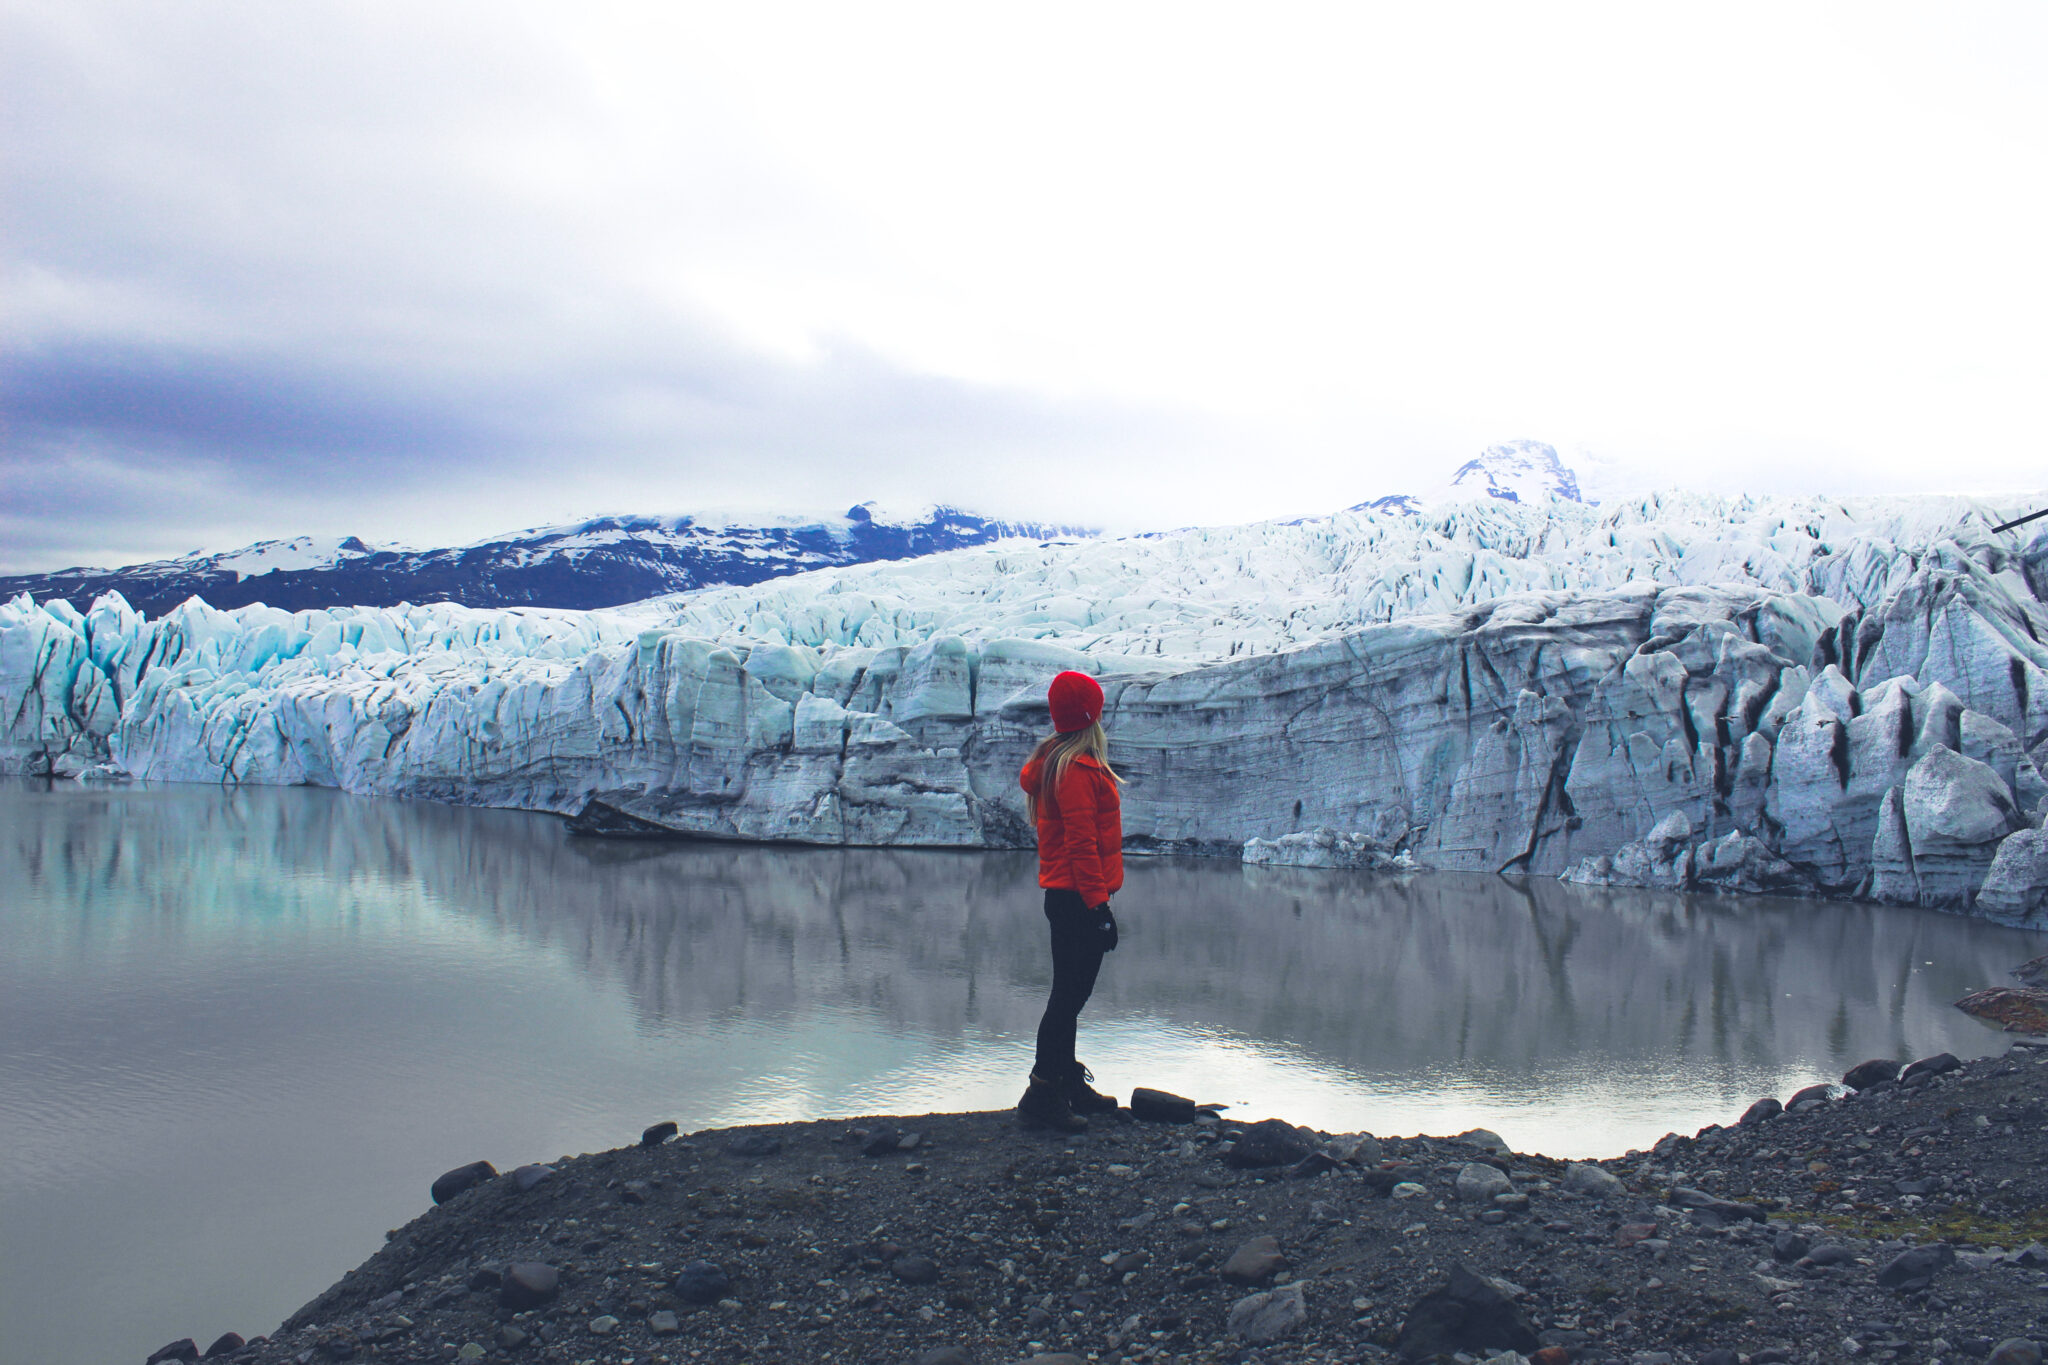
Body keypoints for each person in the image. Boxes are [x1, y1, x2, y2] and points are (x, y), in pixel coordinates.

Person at [1016, 669, 1125, 1132]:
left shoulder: (1055, 761)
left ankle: (1066, 1082)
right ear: (1089, 716)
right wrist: (1099, 908)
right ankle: (1041, 1094)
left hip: (1066, 897)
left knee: (1070, 996)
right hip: (1077, 899)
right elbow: (1083, 845)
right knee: (1066, 999)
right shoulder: (1076, 770)